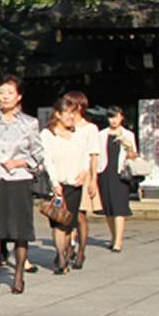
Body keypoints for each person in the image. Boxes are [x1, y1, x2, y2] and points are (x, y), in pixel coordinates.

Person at [0, 75, 43, 297]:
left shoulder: (29, 123)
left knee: (19, 230)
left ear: (19, 97)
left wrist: (21, 162)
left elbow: (39, 155)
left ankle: (18, 276)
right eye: (2, 92)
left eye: (10, 93)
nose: (5, 97)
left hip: (19, 179)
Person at [41, 97, 86, 274]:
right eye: (67, 112)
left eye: (73, 112)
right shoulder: (48, 134)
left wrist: (84, 172)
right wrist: (54, 182)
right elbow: (48, 160)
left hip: (74, 183)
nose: (71, 116)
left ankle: (67, 252)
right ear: (58, 114)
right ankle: (60, 256)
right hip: (57, 184)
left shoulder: (78, 134)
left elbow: (84, 156)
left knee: (69, 223)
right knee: (58, 222)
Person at [63, 91, 101, 268]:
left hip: (84, 175)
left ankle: (81, 251)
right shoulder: (63, 126)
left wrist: (93, 179)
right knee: (66, 214)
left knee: (80, 215)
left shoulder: (90, 129)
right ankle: (67, 247)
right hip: (66, 174)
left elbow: (94, 155)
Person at [97, 106, 137, 252]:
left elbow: (134, 156)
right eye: (111, 117)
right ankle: (113, 236)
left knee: (119, 207)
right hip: (104, 172)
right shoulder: (101, 135)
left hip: (120, 174)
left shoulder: (128, 135)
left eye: (116, 117)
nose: (113, 120)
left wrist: (128, 146)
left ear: (122, 117)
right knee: (108, 208)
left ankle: (118, 241)